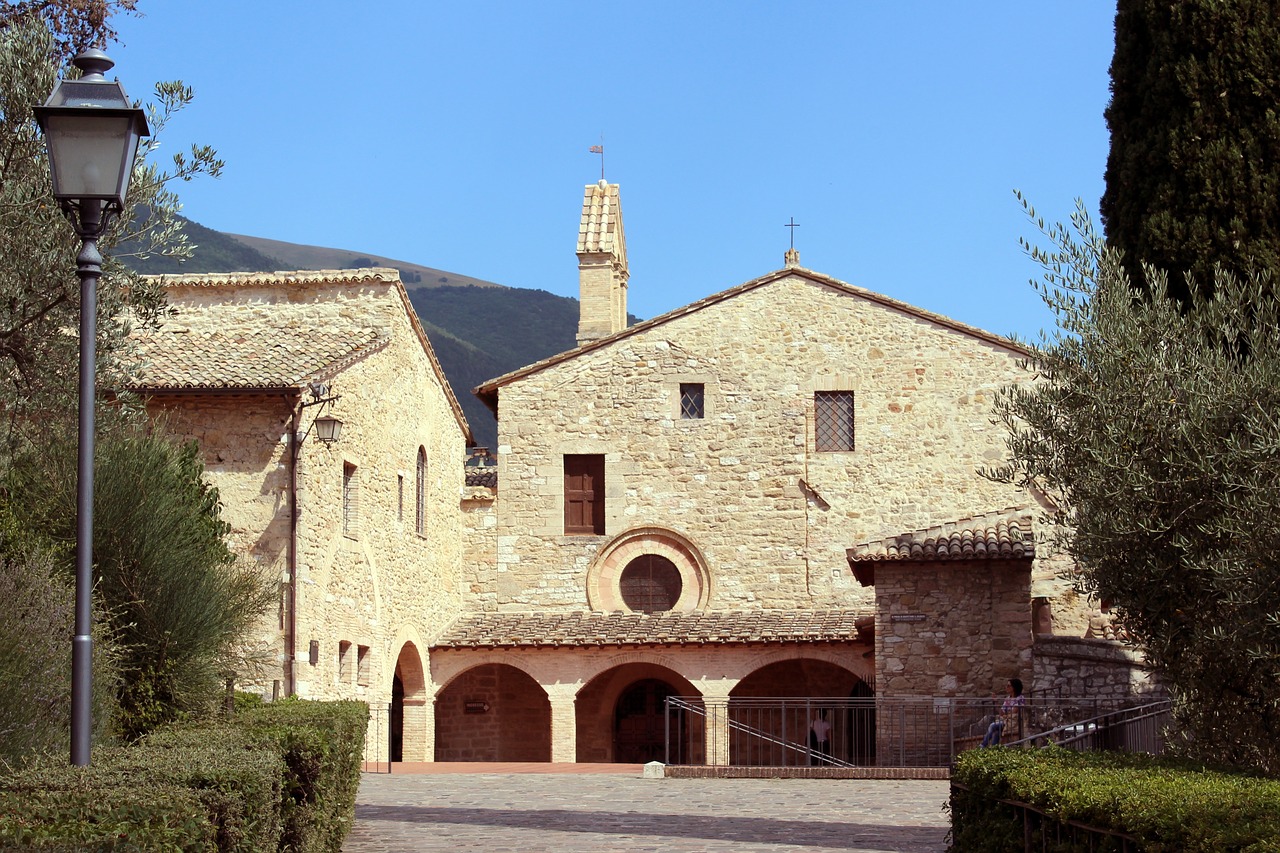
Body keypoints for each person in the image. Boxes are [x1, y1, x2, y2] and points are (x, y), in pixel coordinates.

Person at [980, 678, 1025, 747]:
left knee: (992, 725)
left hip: (1013, 722)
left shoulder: (1020, 698)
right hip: (1005, 720)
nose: (1006, 687)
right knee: (996, 733)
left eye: (1008, 686)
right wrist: (996, 702)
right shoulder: (1007, 699)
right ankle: (994, 750)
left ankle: (982, 745)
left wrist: (1005, 714)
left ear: (1014, 687)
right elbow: (1002, 712)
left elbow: (1013, 713)